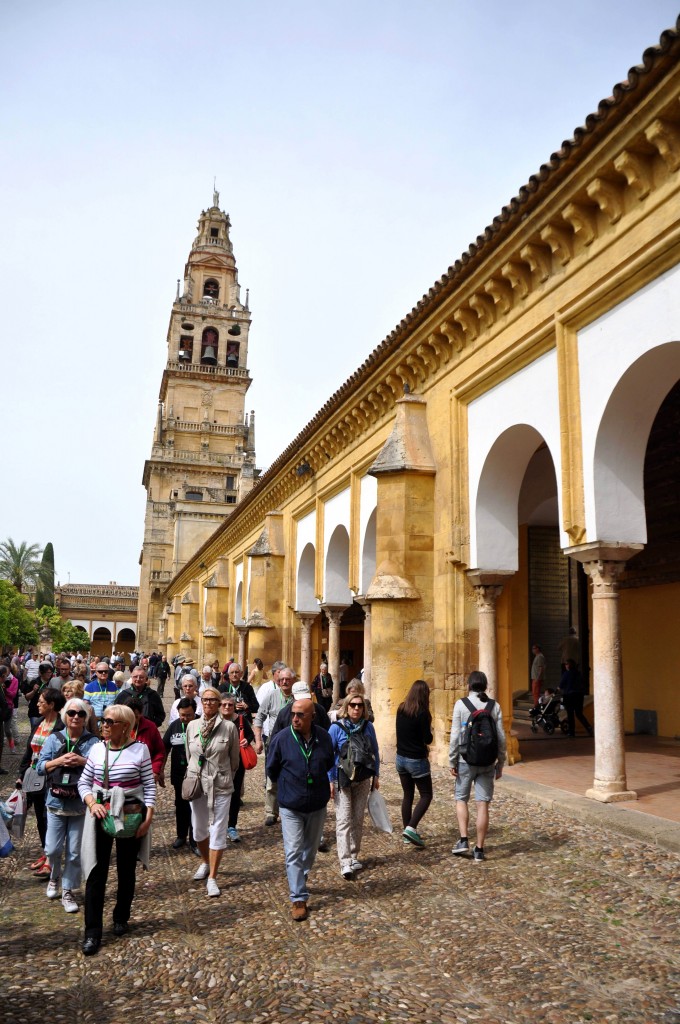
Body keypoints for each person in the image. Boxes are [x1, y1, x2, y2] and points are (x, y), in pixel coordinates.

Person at [78, 703, 155, 955]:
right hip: (101, 813)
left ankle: (121, 916)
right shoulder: (97, 749)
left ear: (125, 726)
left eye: (110, 722)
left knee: (126, 869)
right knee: (96, 872)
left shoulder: (140, 750)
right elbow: (84, 782)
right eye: (103, 721)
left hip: (131, 814)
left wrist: (149, 817)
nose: (104, 726)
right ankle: (92, 932)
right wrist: (91, 803)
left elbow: (149, 785)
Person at [266, 697, 335, 920]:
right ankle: (298, 898)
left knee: (310, 851)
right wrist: (289, 786)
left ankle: (299, 877)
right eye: (293, 714)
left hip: (317, 804)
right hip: (291, 805)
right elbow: (271, 769)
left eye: (300, 715)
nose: (295, 718)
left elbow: (328, 762)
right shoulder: (281, 739)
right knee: (293, 851)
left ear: (312, 717)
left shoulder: (324, 738)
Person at [36, 697, 99, 912]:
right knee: (52, 849)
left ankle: (68, 890)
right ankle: (54, 875)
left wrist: (82, 761)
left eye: (80, 714)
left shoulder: (93, 742)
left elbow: (100, 769)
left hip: (80, 804)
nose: (75, 717)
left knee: (73, 852)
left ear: (85, 718)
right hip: (55, 802)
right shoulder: (54, 739)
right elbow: (39, 767)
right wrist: (59, 761)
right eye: (71, 713)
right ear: (65, 716)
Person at [184, 687, 240, 897]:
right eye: (205, 700)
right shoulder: (192, 726)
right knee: (199, 829)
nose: (208, 703)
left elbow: (234, 760)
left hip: (220, 784)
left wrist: (225, 777)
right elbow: (190, 754)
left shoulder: (229, 728)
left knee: (218, 829)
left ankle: (213, 877)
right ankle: (205, 862)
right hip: (197, 783)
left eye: (212, 700)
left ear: (218, 704)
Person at [449, 670, 506, 862]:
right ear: (485, 686)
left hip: (466, 759)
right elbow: (501, 738)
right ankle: (479, 849)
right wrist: (501, 763)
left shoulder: (461, 704)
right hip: (488, 761)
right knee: (483, 804)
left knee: (461, 799)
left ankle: (464, 839)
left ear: (469, 685)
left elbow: (455, 736)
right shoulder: (494, 706)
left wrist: (452, 760)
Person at [328, 692, 380, 880]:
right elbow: (328, 755)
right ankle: (345, 861)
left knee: (357, 818)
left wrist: (376, 775)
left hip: (363, 779)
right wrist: (330, 780)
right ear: (346, 707)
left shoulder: (368, 727)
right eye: (353, 705)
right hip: (342, 779)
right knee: (343, 820)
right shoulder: (336, 728)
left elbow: (375, 750)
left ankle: (354, 854)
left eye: (359, 705)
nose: (356, 708)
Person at [17, 687, 67, 875]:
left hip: (53, 778)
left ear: (52, 705)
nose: (37, 704)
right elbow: (30, 751)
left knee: (50, 818)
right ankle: (47, 852)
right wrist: (22, 774)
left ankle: (52, 859)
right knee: (40, 818)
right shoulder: (38, 722)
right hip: (35, 776)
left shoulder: (62, 726)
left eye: (41, 702)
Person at [253, 667, 295, 825]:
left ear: (293, 681)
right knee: (272, 778)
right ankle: (271, 812)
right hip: (275, 742)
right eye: (282, 679)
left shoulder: (298, 697)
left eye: (288, 679)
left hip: (294, 742)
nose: (284, 682)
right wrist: (258, 740)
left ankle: (290, 809)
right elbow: (259, 717)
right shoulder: (271, 696)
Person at [396, 679, 434, 847]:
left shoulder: (401, 708)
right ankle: (411, 828)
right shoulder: (422, 713)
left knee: (408, 795)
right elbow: (428, 739)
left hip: (400, 758)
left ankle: (406, 833)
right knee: (426, 795)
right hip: (416, 759)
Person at [163, 697, 198, 853]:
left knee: (195, 808)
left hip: (196, 774)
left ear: (194, 713)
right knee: (180, 806)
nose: (185, 718)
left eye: (188, 715)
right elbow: (164, 749)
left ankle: (195, 839)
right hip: (178, 774)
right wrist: (161, 770)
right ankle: (181, 835)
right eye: (182, 715)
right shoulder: (174, 726)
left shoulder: (200, 725)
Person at [219, 693, 255, 842]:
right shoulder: (215, 721)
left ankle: (231, 826)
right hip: (219, 764)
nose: (227, 707)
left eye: (230, 705)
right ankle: (218, 826)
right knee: (219, 795)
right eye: (224, 704)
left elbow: (250, 734)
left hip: (237, 764)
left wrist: (247, 740)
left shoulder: (240, 720)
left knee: (234, 795)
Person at [122, 696, 166, 784]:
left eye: (136, 717)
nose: (132, 720)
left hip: (145, 776)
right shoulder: (118, 726)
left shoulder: (150, 727)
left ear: (141, 713)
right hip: (122, 775)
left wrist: (155, 770)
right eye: (130, 717)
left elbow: (160, 751)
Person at [560, 659, 593, 738]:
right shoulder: (578, 673)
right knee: (579, 713)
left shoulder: (566, 674)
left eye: (566, 664)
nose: (565, 666)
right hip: (579, 695)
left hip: (569, 695)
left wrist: (557, 689)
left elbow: (561, 684)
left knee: (570, 714)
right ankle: (589, 728)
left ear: (569, 665)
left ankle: (571, 732)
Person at [22, 661, 56, 730]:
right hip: (35, 711)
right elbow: (27, 697)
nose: (50, 674)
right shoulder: (35, 682)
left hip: (48, 712)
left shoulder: (52, 682)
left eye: (50, 672)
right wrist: (33, 691)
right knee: (35, 730)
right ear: (42, 673)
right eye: (48, 672)